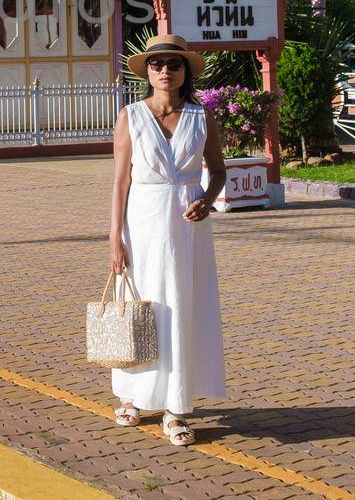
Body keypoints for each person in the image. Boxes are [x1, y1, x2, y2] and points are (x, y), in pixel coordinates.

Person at [109, 33, 227, 445]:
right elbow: (120, 181)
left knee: (183, 308)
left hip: (187, 229)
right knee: (142, 310)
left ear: (184, 72)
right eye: (157, 64)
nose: (165, 70)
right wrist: (113, 239)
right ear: (148, 71)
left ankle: (176, 409)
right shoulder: (130, 116)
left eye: (173, 64)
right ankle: (133, 395)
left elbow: (219, 171)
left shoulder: (201, 117)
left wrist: (207, 201)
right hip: (140, 225)